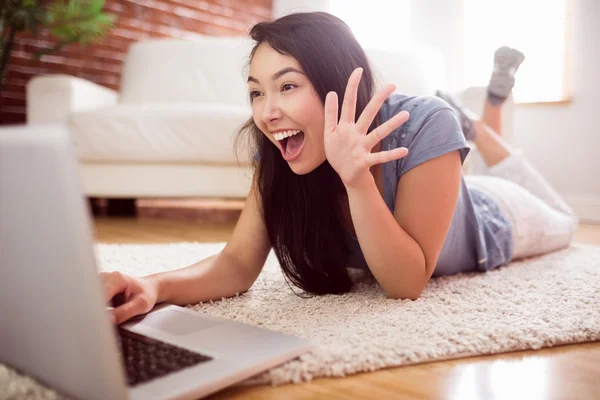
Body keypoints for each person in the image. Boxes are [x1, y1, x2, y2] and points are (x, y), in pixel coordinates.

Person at [101, 12, 579, 325]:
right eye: (256, 91)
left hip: (499, 216)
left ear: (334, 78)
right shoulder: (280, 152)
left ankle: (478, 122)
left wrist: (356, 180)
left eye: (287, 87)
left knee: (566, 217)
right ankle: (474, 126)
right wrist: (155, 284)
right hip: (445, 183)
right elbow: (237, 264)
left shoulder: (424, 121)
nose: (267, 112)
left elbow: (406, 283)